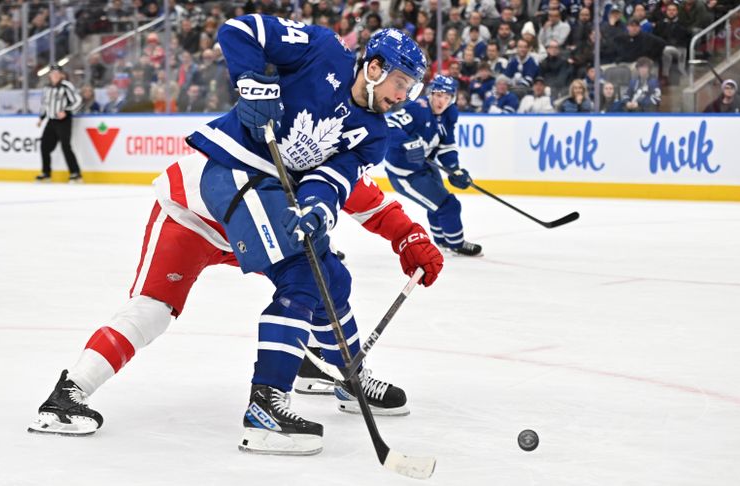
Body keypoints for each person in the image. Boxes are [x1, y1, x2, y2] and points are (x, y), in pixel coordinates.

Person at [29, 19, 430, 456]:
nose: (404, 95)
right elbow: (240, 31)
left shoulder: (372, 133)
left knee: (327, 275)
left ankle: (342, 374)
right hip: (205, 198)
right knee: (157, 311)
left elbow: (342, 183)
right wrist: (253, 84)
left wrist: (334, 212)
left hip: (256, 206)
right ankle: (72, 396)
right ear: (373, 67)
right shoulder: (323, 51)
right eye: (401, 83)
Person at [385, 75, 483, 257]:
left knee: (438, 205)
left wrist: (455, 169)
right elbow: (389, 126)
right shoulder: (417, 109)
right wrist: (407, 143)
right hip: (405, 174)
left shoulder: (449, 114)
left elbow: (446, 146)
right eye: (438, 95)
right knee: (449, 205)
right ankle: (456, 243)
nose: (441, 101)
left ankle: (443, 239)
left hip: (426, 166)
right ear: (431, 94)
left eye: (447, 97)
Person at [36, 65, 83, 183]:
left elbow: (78, 101)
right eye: (53, 73)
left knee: (65, 146)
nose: (55, 75)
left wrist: (66, 111)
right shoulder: (47, 88)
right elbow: (45, 105)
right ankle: (46, 173)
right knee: (44, 146)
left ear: (62, 75)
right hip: (51, 121)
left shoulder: (66, 86)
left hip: (64, 122)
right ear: (50, 75)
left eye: (57, 73)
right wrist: (42, 118)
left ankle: (75, 173)